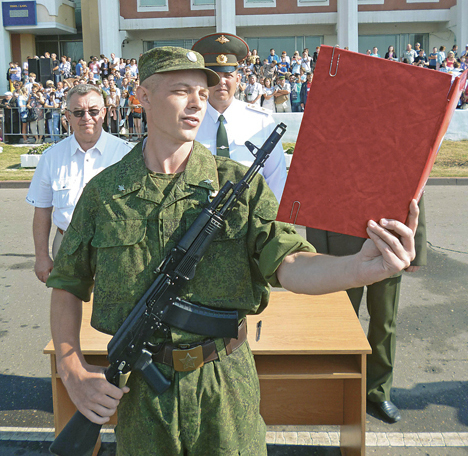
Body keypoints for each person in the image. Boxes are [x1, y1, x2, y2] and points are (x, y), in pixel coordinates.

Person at [45, 45, 418, 456]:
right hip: (141, 394)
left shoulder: (237, 186)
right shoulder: (104, 193)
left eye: (202, 95)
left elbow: (290, 262)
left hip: (224, 384)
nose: (196, 103)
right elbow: (66, 284)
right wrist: (72, 368)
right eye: (181, 91)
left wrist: (360, 268)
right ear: (143, 97)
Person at [306, 196, 427, 423]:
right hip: (339, 244)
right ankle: (337, 387)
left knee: (384, 321)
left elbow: (416, 190)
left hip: (390, 243)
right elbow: (321, 187)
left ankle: (378, 390)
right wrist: (317, 250)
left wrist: (417, 247)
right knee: (340, 323)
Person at [25, 84, 133, 283]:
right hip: (67, 243)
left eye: (93, 111)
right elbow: (42, 209)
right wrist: (41, 257)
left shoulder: (127, 154)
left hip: (114, 246)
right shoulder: (51, 157)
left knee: (115, 310)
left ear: (104, 113)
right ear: (67, 116)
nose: (86, 118)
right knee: (68, 309)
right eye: (78, 112)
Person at [193, 33, 288, 201]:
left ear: (238, 79)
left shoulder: (261, 122)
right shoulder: (190, 121)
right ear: (204, 80)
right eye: (215, 75)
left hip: (251, 218)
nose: (222, 81)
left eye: (228, 75)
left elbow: (276, 179)